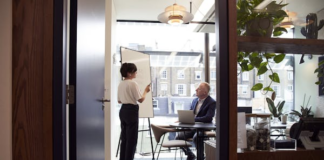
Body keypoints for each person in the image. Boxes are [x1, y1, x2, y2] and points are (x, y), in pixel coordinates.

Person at [117, 62, 151, 160]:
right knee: (131, 140)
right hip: (131, 111)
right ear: (129, 73)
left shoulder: (121, 84)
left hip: (123, 110)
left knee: (124, 139)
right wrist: (145, 91)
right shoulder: (133, 83)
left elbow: (119, 101)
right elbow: (140, 99)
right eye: (134, 71)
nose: (136, 72)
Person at [175, 82, 216, 160]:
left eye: (199, 89)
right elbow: (191, 113)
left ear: (205, 92)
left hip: (204, 127)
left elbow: (208, 117)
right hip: (193, 127)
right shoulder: (194, 100)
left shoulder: (212, 102)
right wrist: (185, 118)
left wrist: (193, 119)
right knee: (178, 137)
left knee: (196, 138)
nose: (196, 89)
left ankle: (201, 157)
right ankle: (190, 154)